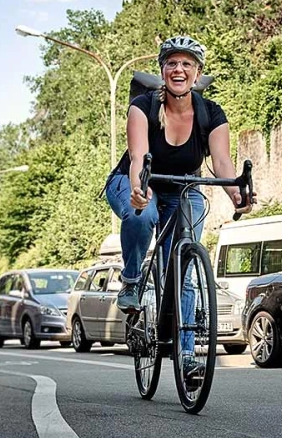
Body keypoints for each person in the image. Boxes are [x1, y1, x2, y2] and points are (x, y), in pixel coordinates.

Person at [105, 36, 253, 379]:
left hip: (183, 187)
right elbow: (139, 157)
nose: (179, 69)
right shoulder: (142, 106)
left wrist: (237, 195)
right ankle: (131, 281)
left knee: (184, 267)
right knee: (144, 214)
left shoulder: (211, 113)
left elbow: (222, 162)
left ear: (197, 73)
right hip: (134, 181)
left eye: (187, 63)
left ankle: (186, 356)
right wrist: (139, 189)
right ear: (162, 71)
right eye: (172, 63)